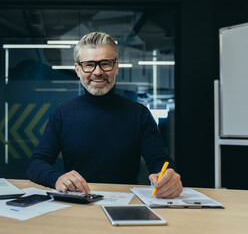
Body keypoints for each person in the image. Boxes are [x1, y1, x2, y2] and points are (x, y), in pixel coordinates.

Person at [27, 32, 183, 198]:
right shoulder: (62, 114)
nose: (98, 72)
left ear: (116, 67)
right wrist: (57, 178)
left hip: (126, 205)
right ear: (78, 69)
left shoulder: (139, 114)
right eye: (89, 64)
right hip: (77, 204)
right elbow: (36, 163)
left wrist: (168, 177)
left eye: (105, 63)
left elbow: (159, 161)